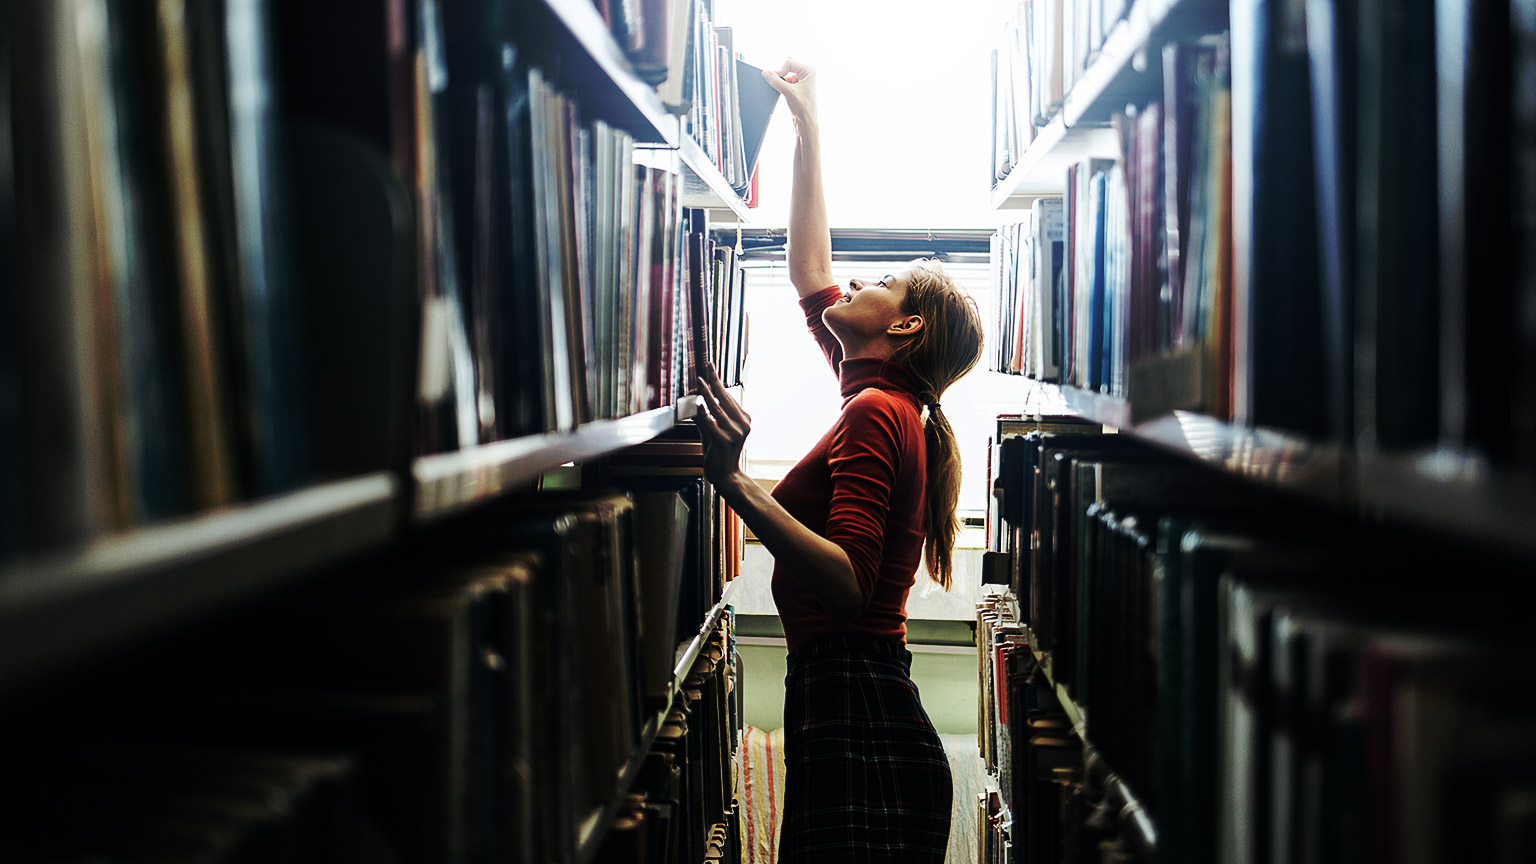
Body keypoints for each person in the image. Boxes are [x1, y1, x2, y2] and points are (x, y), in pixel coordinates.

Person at [692, 58, 986, 863]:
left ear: (905, 330)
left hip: (857, 708)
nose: (857, 281)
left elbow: (851, 585)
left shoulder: (876, 412)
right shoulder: (881, 393)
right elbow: (811, 271)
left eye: (884, 281)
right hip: (852, 701)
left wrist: (734, 483)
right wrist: (807, 126)